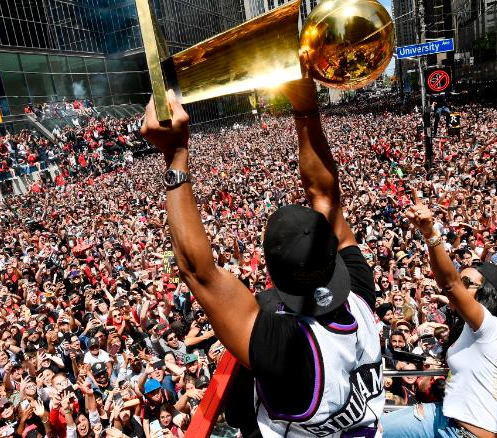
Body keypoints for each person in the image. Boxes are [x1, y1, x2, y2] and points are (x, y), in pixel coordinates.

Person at [140, 81, 385, 437]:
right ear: (334, 257)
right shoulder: (360, 296)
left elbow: (199, 273)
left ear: (272, 276)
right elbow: (326, 198)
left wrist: (176, 155)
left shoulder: (289, 348)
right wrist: (305, 109)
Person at [380, 194, 497, 438]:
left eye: (467, 283)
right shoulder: (482, 330)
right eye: (461, 280)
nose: (460, 286)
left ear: (486, 294)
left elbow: (449, 283)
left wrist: (430, 232)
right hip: (444, 418)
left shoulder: (488, 326)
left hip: (460, 432)